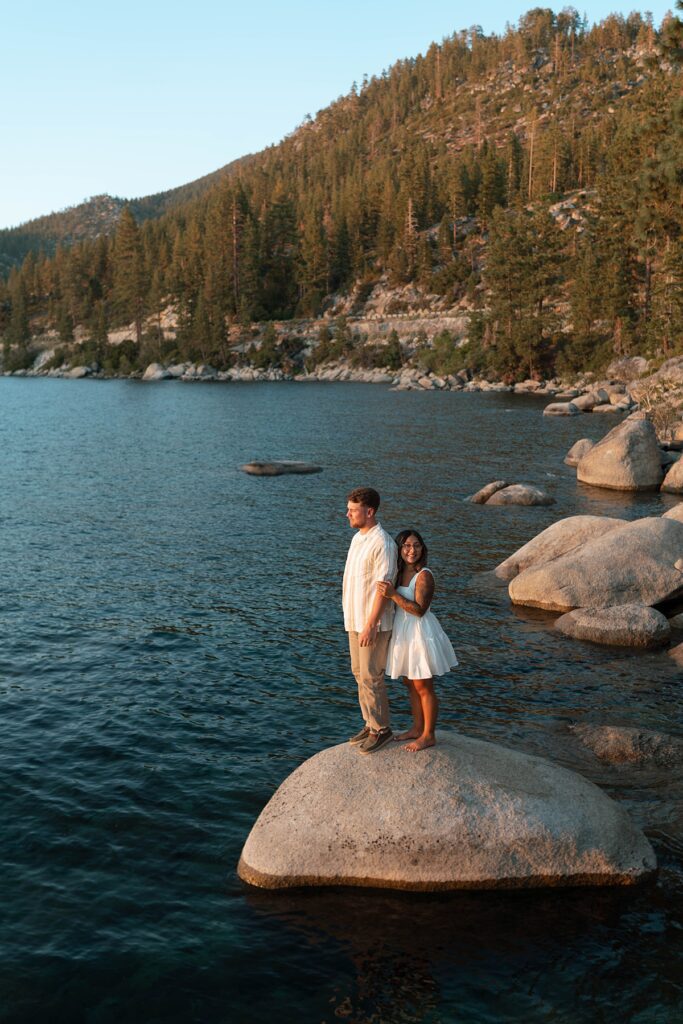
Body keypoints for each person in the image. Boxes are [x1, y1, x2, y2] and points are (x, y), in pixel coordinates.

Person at [377, 529, 457, 752]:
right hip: (403, 631)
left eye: (416, 545)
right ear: (399, 549)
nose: (412, 550)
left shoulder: (424, 575)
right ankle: (417, 728)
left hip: (419, 632)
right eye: (406, 546)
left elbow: (420, 610)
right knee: (409, 683)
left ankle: (429, 735)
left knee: (423, 685)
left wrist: (393, 595)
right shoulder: (399, 573)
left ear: (422, 549)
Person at [343, 487, 398, 754]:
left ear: (370, 512)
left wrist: (371, 624)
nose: (348, 514)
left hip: (371, 623)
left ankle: (382, 729)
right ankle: (369, 723)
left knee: (371, 676)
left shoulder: (383, 544)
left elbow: (383, 588)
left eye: (353, 510)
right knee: (359, 673)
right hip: (354, 619)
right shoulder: (358, 538)